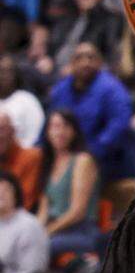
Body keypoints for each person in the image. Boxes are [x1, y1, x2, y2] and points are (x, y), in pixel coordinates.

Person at [48, 40, 135, 182]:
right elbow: (51, 122)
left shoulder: (112, 88)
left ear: (100, 62)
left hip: (107, 161)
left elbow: (118, 126)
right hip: (68, 155)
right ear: (71, 64)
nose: (85, 62)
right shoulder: (61, 89)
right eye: (80, 58)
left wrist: (90, 153)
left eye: (91, 57)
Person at [37, 108, 102, 261]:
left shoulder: (82, 160)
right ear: (47, 132)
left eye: (65, 126)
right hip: (55, 229)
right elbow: (44, 210)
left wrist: (47, 232)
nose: (60, 132)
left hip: (81, 230)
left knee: (42, 245)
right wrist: (35, 231)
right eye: (55, 126)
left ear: (74, 131)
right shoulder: (48, 162)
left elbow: (77, 212)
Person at [0, 167, 49, 273]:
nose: (0, 194)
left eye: (5, 190)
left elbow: (33, 272)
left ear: (16, 194)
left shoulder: (29, 226)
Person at [0, 108, 42, 212]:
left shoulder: (32, 157)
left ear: (13, 131)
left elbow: (24, 203)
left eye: (1, 129)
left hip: (19, 221)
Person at [0, 52, 45, 148]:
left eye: (8, 71)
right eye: (1, 71)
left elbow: (36, 136)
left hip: (21, 156)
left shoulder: (28, 100)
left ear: (15, 74)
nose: (3, 75)